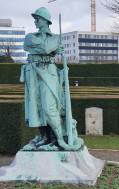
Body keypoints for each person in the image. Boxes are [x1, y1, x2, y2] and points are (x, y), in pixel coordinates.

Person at [20, 7, 83, 151]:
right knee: (37, 108)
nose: (35, 21)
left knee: (49, 108)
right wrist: (45, 47)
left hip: (49, 72)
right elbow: (30, 46)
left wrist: (44, 47)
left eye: (38, 18)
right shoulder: (29, 36)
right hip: (33, 73)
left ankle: (60, 140)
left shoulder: (55, 38)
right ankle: (46, 138)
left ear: (46, 21)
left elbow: (46, 48)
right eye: (35, 18)